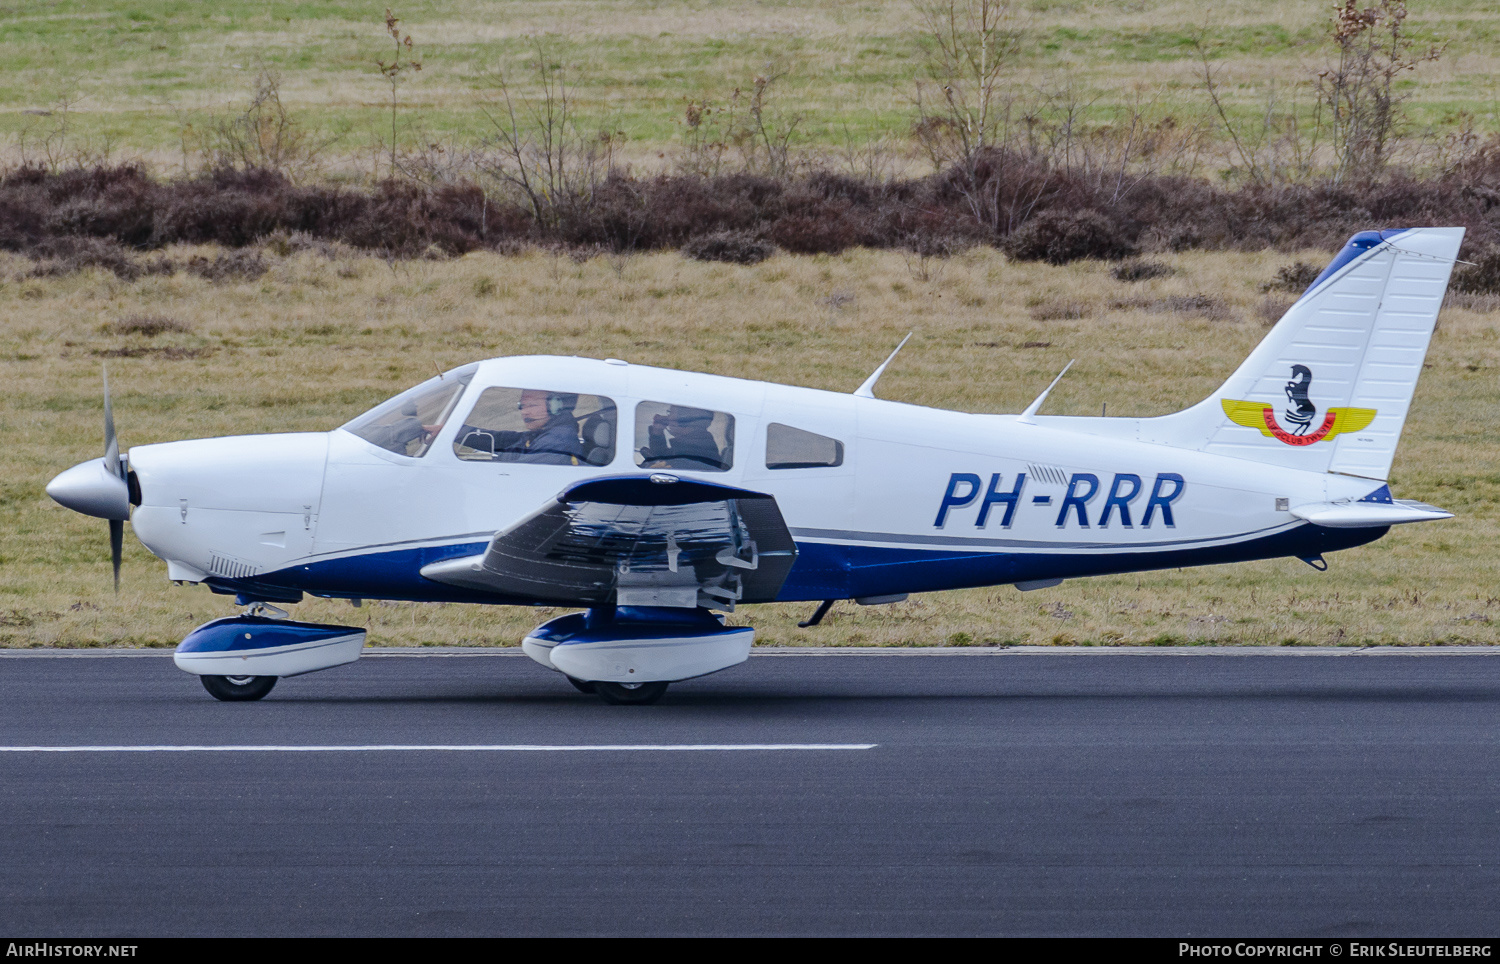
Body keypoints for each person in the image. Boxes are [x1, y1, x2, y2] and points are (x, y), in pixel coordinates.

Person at [460, 389, 585, 465]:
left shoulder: (556, 443)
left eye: (532, 405)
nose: (524, 412)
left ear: (555, 407)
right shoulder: (541, 434)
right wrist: (454, 433)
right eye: (522, 406)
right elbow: (500, 440)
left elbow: (516, 476)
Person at [639, 405, 726, 469]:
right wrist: (657, 432)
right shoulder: (694, 441)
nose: (667, 418)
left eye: (670, 413)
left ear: (684, 420)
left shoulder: (697, 447)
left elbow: (672, 465)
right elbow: (662, 454)